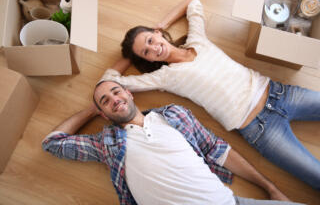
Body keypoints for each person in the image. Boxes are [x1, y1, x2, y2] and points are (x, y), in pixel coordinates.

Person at [100, 0, 320, 190]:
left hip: (279, 93)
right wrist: (131, 55)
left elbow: (192, 2)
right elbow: (108, 81)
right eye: (146, 52)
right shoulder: (163, 77)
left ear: (157, 33)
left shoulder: (197, 39)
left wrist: (161, 24)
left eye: (150, 40)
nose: (154, 48)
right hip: (261, 130)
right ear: (146, 59)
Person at [42, 80, 304, 205]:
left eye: (116, 92)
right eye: (105, 101)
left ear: (129, 93)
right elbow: (53, 142)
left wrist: (270, 188)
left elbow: (219, 150)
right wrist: (90, 110)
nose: (114, 100)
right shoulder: (106, 143)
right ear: (103, 113)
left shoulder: (174, 114)